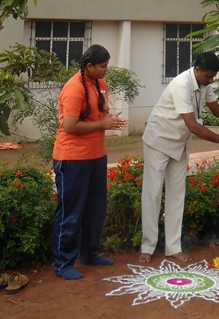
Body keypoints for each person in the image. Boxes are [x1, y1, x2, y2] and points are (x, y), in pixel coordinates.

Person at [140, 51, 219, 264]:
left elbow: (216, 111)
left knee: (177, 195)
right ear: (197, 70)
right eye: (208, 76)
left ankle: (173, 247)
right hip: (159, 141)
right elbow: (193, 126)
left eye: (213, 77)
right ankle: (147, 246)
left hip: (179, 143)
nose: (211, 80)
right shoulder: (181, 85)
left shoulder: (204, 84)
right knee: (153, 194)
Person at [52, 44, 129, 280]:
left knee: (95, 208)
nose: (106, 69)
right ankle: (63, 263)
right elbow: (70, 126)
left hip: (96, 156)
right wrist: (102, 124)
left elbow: (99, 114)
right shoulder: (73, 89)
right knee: (71, 211)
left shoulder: (100, 84)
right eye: (103, 66)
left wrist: (109, 119)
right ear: (89, 66)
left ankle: (89, 253)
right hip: (72, 158)